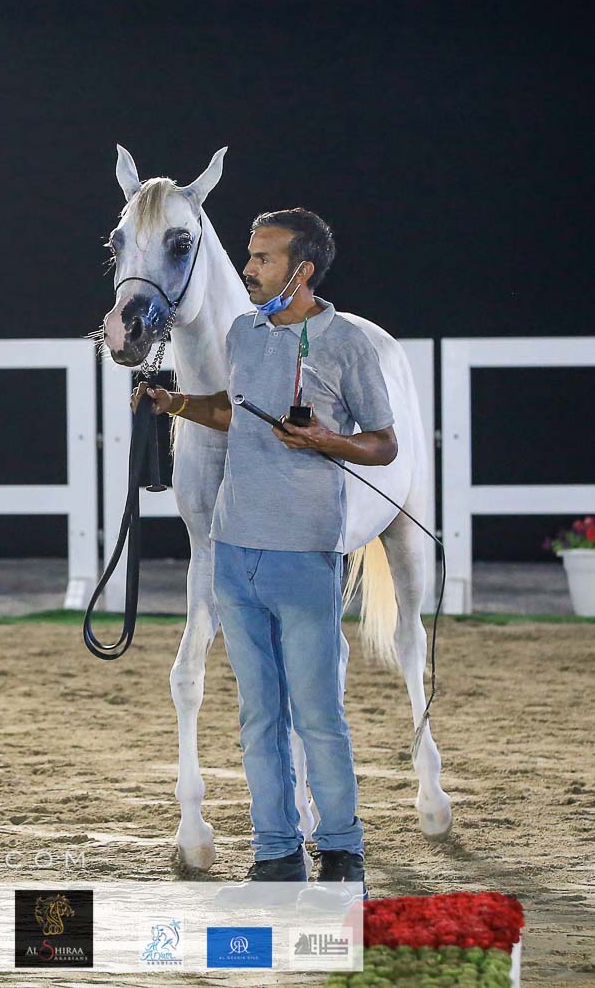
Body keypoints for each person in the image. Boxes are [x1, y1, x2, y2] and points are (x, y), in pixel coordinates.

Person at [135, 209, 396, 888]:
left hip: (305, 552)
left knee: (317, 715)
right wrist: (175, 405)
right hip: (233, 551)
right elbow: (232, 409)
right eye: (250, 256)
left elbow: (383, 444)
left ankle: (340, 847)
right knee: (257, 717)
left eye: (264, 258)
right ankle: (276, 850)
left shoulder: (346, 343)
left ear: (301, 270)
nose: (248, 268)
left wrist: (325, 441)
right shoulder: (243, 333)